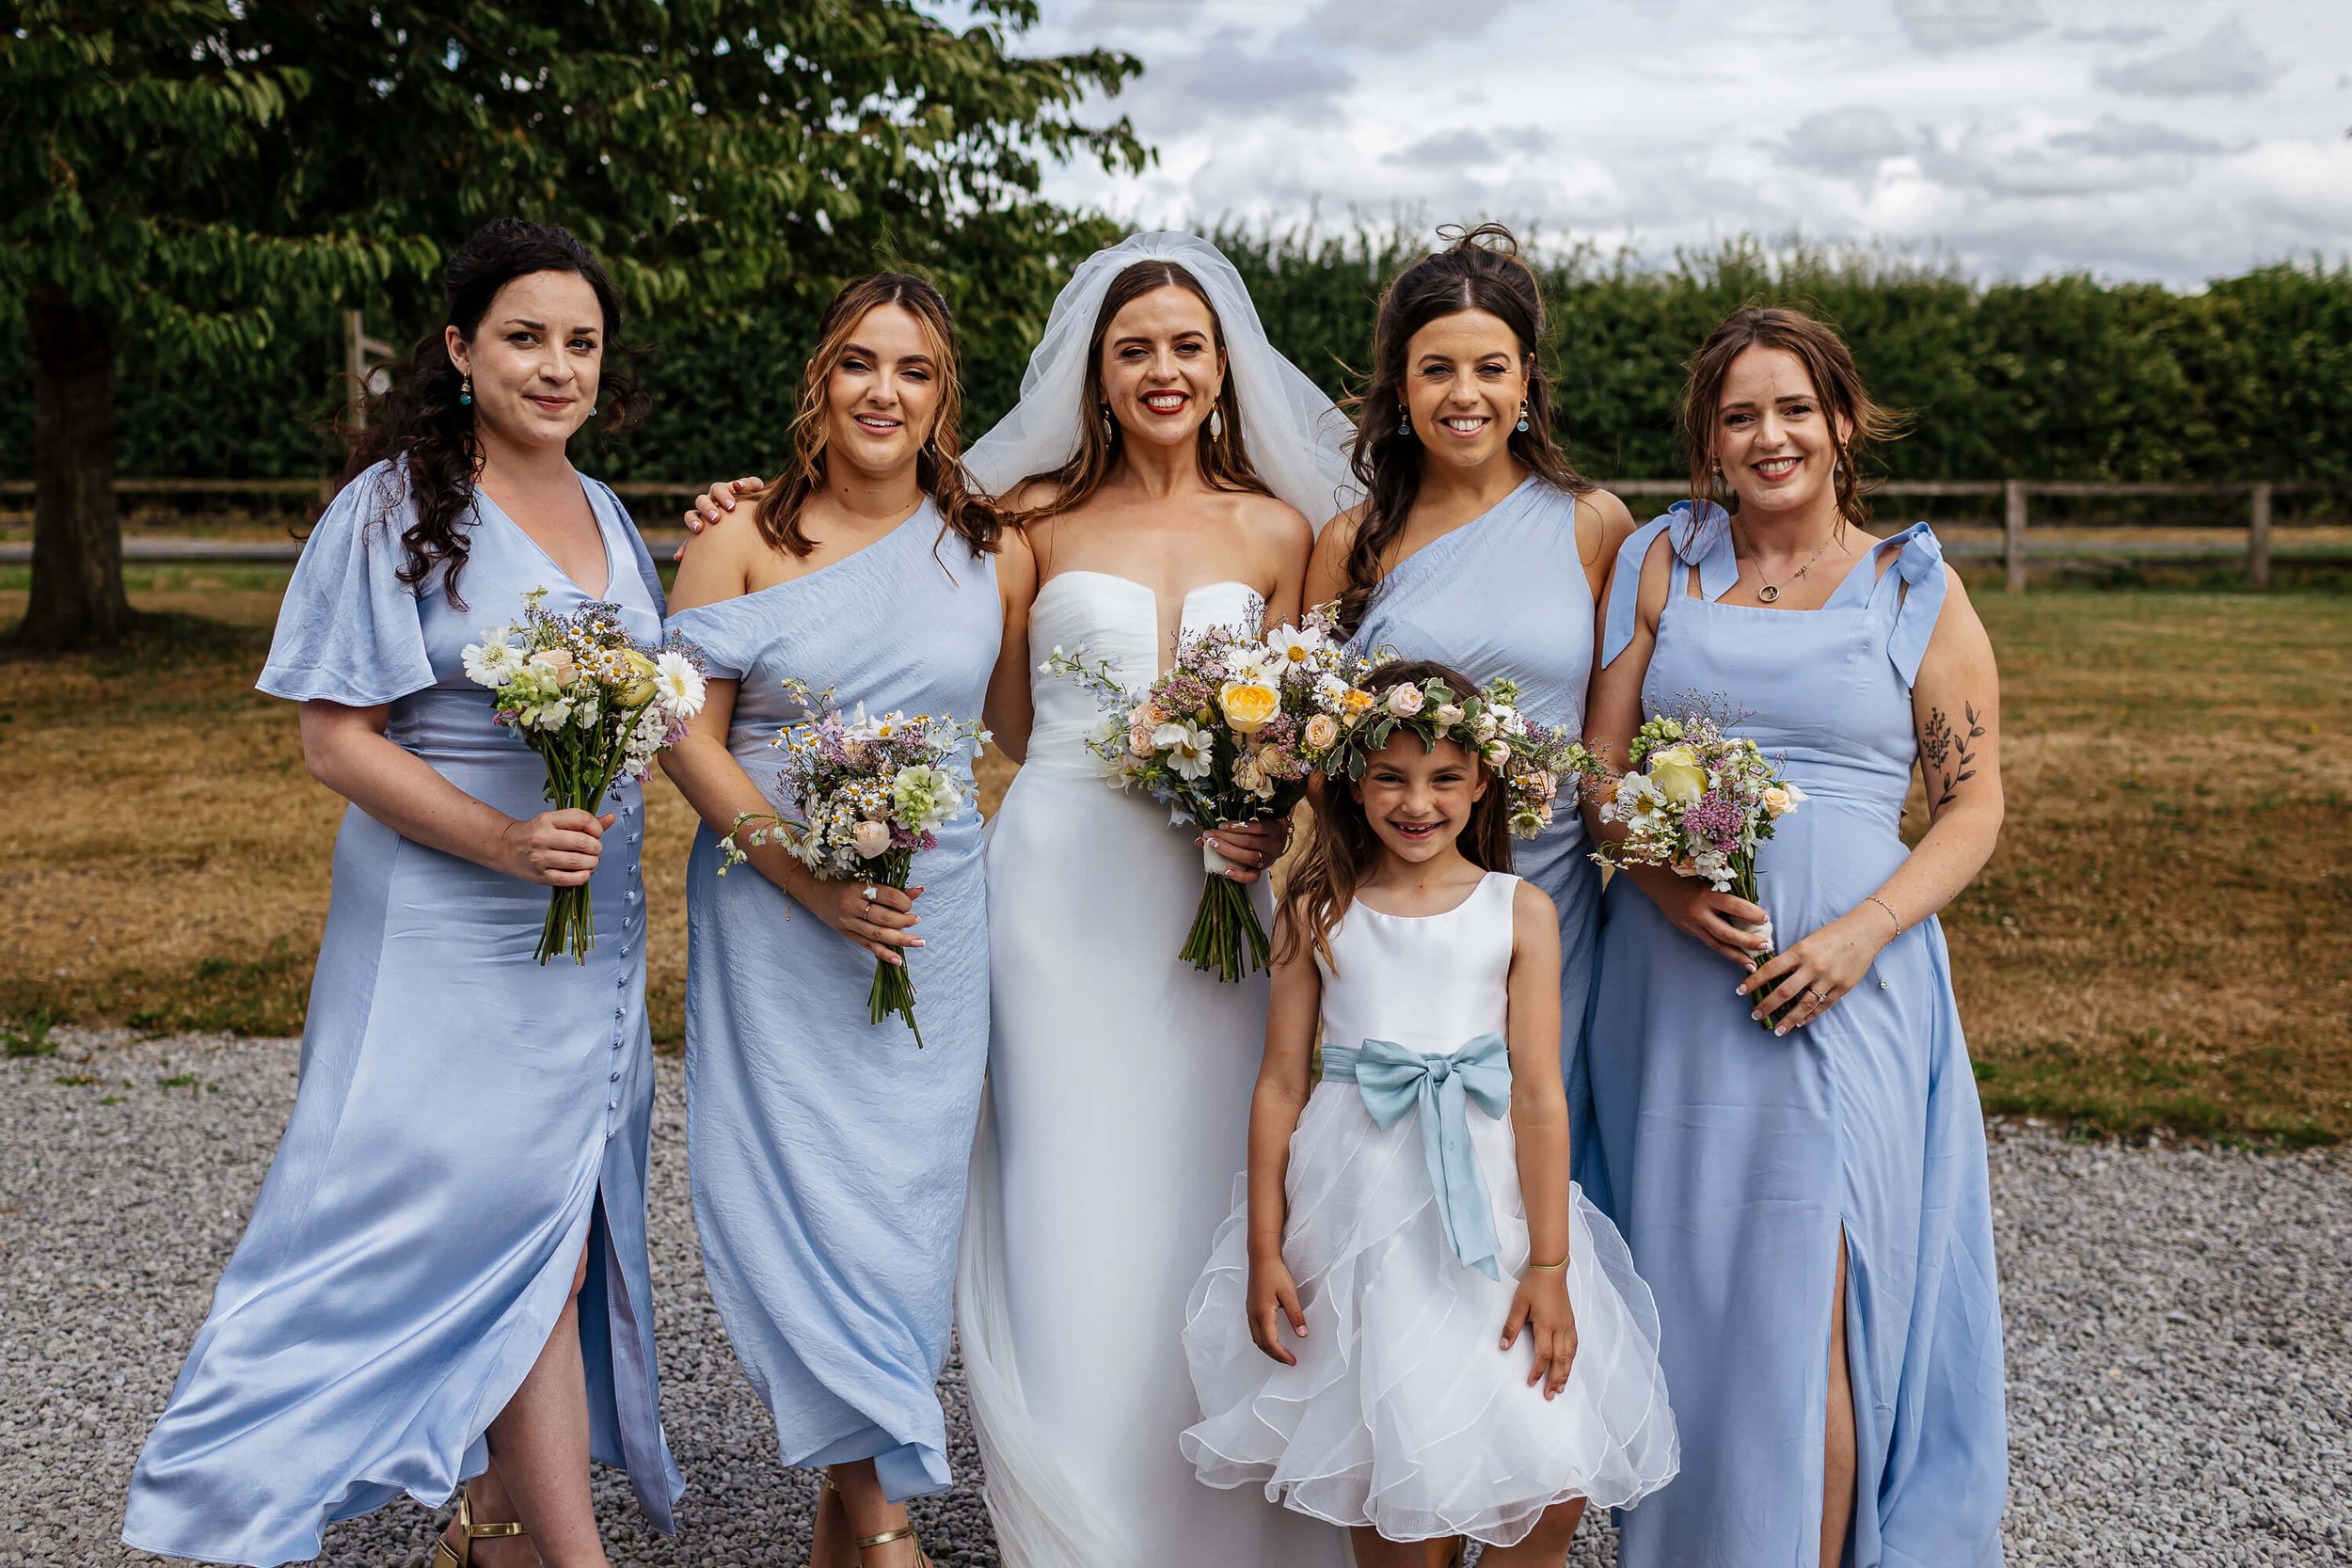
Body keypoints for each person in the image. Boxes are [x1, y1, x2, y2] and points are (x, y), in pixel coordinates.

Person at [123, 218, 682, 1568]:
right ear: (458, 348)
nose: (557, 367)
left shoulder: (609, 511)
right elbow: (337, 737)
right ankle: (264, 1490)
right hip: (445, 920)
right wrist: (500, 840)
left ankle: (501, 1528)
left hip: (584, 929)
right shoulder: (392, 507)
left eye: (582, 343)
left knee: (546, 1219)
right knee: (422, 1212)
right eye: (526, 337)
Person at [1584, 305, 2010, 1567]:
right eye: (1738, 415)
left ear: (1840, 422)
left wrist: (1861, 934)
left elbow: (1973, 804)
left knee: (1814, 1298)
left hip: (1845, 982)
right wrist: (1663, 883)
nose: (1769, 436)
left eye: (1791, 409)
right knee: (1689, 1294)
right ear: (1709, 442)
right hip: (1673, 978)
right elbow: (1597, 774)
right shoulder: (1661, 559)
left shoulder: (1911, 584)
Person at [660, 274, 1033, 1568]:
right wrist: (801, 872)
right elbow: (683, 736)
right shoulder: (740, 539)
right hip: (777, 913)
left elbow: (1026, 729)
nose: (886, 391)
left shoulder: (992, 544)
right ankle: (884, 1526)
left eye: (915, 370)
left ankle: (853, 1499)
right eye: (861, 364)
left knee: (906, 1198)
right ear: (820, 381)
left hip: (936, 908)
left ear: (944, 399)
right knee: (800, 1187)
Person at [1181, 660, 1679, 1568]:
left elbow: (1537, 1090)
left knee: (1547, 1476)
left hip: (1492, 1212)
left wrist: (1553, 1263)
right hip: (1361, 1214)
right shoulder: (1317, 909)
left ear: (1482, 781)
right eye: (1392, 778)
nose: (1419, 802)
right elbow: (1282, 1085)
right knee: (1397, 1476)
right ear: (1351, 785)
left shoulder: (1517, 910)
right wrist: (1264, 1247)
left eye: (1445, 776)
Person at [1304, 223, 1635, 1212]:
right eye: (1436, 368)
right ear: (1398, 386)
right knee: (1390, 1172)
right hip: (1392, 901)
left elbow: (1617, 726)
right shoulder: (1351, 544)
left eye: (1490, 367)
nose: (1464, 394)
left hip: (1550, 898)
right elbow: (1312, 746)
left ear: (1526, 378)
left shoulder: (1594, 523)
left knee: (1535, 1146)